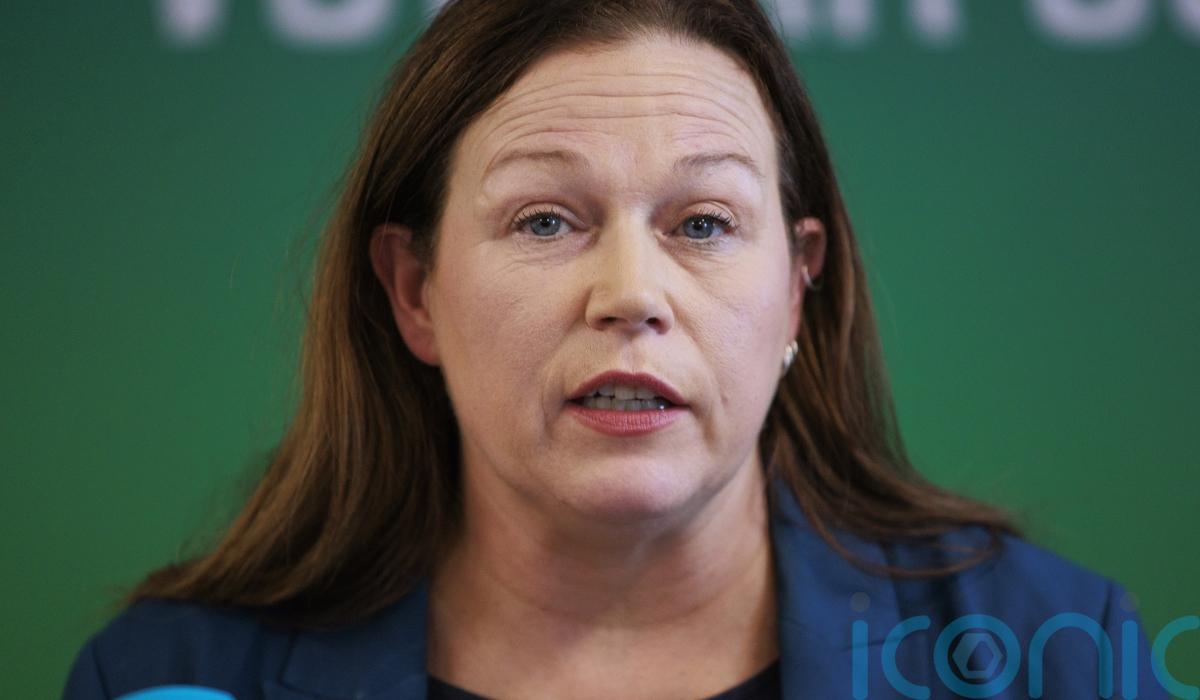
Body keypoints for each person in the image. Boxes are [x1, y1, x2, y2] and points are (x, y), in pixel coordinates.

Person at [63, 1, 1165, 698]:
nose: (632, 295)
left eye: (704, 223)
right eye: (546, 220)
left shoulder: (1056, 655)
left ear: (796, 287)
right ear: (415, 292)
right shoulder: (169, 675)